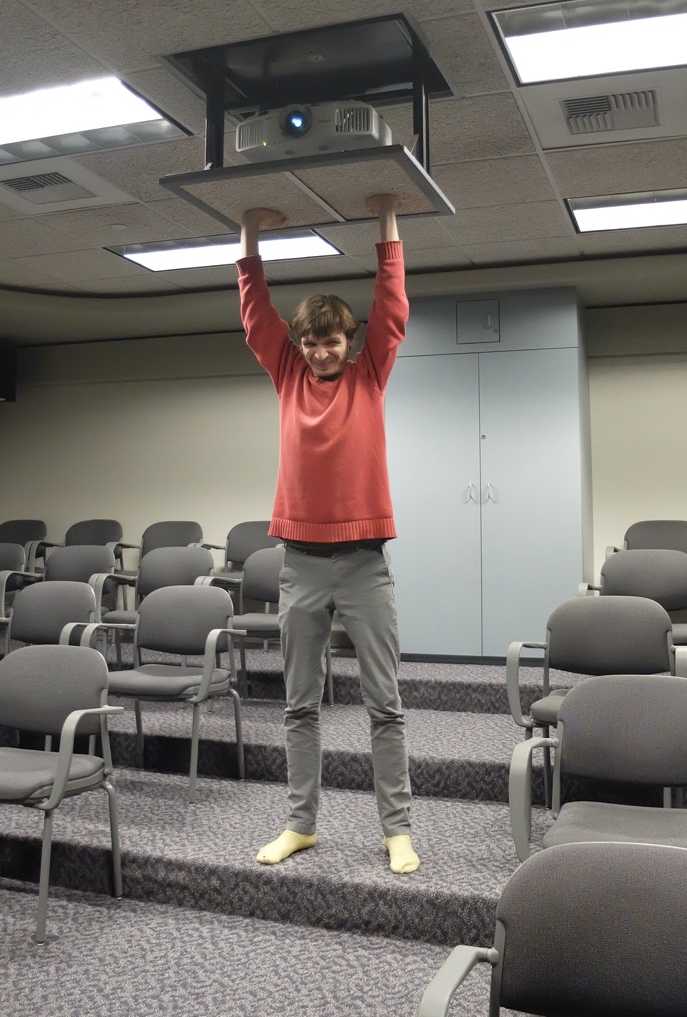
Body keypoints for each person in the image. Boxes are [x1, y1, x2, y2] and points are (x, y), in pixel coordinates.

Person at [236, 194, 419, 875]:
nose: (318, 352)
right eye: (310, 342)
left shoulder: (371, 375)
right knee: (299, 706)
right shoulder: (286, 374)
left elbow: (392, 305)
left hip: (365, 564)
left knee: (384, 705)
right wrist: (249, 231)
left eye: (330, 341)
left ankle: (396, 830)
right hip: (301, 564)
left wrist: (386, 222)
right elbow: (256, 313)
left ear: (349, 341)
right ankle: (300, 825)